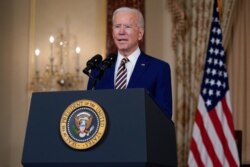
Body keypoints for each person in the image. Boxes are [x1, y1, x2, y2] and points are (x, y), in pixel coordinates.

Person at [87, 7, 172, 119]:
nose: (121, 32)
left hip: (140, 135)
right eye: (117, 26)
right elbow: (89, 110)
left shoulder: (159, 69)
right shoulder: (98, 69)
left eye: (127, 27)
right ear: (113, 33)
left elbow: (164, 115)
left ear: (140, 34)